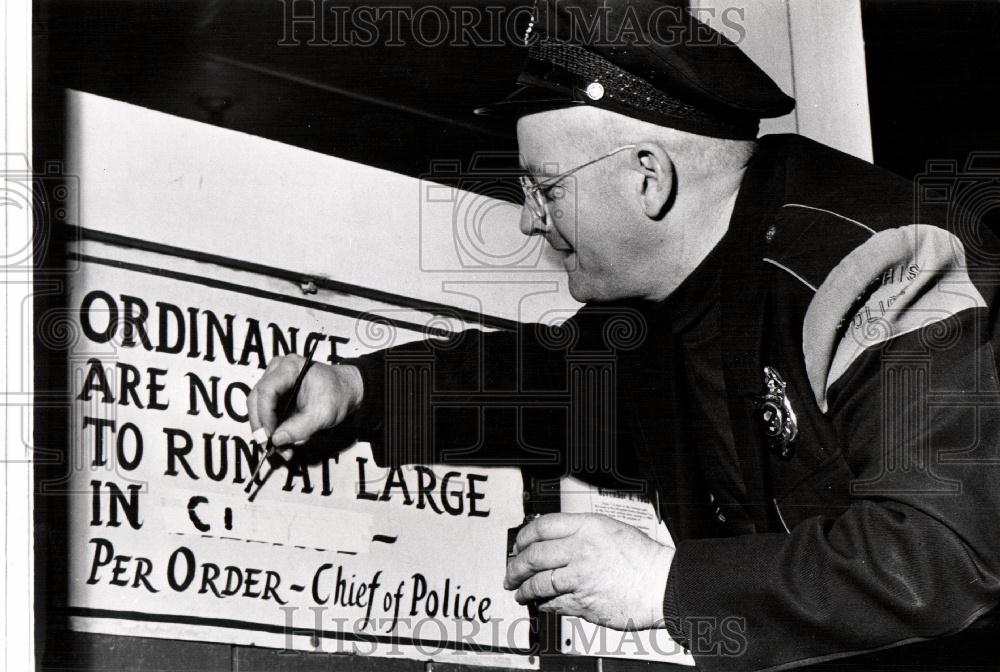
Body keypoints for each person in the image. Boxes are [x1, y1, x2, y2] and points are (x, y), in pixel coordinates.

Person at [248, 2, 1000, 669]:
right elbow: (544, 384)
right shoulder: (664, 303)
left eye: (546, 188)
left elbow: (940, 556)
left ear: (649, 177)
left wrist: (662, 585)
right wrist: (358, 390)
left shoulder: (880, 265)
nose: (529, 218)